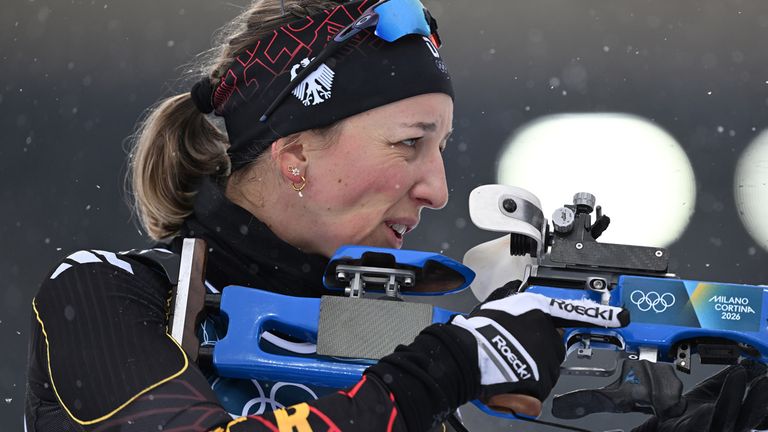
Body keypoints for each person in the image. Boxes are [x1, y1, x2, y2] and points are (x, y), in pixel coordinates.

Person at [23, 0, 768, 431]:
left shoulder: (381, 335)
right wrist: (452, 363)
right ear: (294, 156)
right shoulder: (103, 294)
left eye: (440, 148)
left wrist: (720, 414)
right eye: (410, 144)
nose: (438, 188)